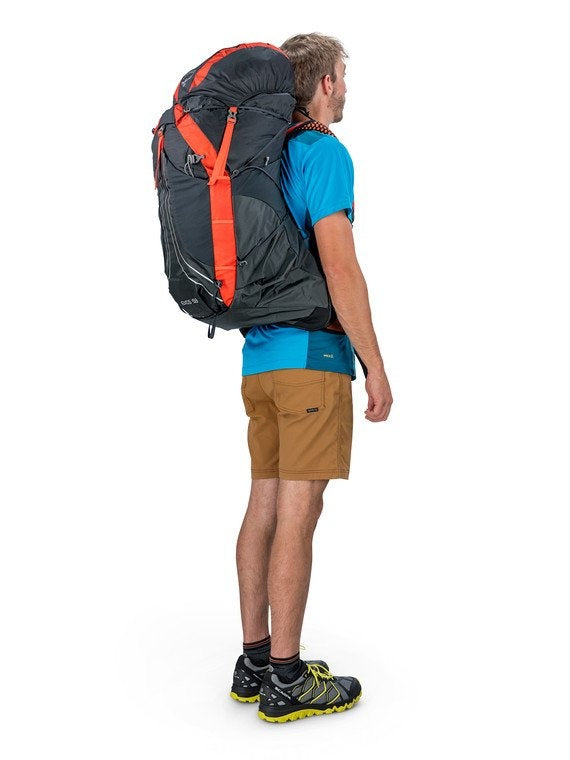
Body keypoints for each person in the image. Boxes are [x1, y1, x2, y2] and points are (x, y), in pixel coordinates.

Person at [230, 33, 393, 722]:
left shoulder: (262, 157)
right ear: (323, 82)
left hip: (260, 363)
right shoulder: (323, 151)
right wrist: (374, 363)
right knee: (300, 514)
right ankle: (288, 678)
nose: (347, 87)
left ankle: (254, 661)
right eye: (343, 75)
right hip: (312, 363)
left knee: (263, 505)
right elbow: (340, 266)